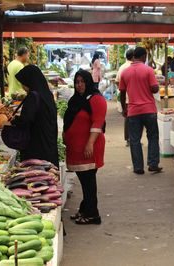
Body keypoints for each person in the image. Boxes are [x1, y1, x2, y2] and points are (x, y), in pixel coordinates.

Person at [63, 69, 107, 225]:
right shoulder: (77, 99)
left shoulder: (96, 99)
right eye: (77, 82)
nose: (79, 85)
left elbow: (98, 122)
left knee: (89, 182)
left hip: (89, 147)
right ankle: (85, 209)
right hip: (77, 148)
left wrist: (89, 143)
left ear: (88, 82)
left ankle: (93, 214)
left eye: (82, 81)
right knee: (85, 181)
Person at [119, 47, 162, 175]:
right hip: (149, 109)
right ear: (143, 56)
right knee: (153, 136)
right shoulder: (148, 70)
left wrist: (124, 108)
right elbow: (154, 89)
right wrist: (154, 86)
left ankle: (138, 167)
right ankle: (153, 164)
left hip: (133, 110)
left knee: (135, 140)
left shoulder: (125, 72)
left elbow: (122, 92)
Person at [12, 65, 59, 167]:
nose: (22, 87)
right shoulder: (47, 94)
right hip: (48, 145)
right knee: (49, 177)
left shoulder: (33, 96)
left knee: (37, 178)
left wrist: (13, 121)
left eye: (23, 83)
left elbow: (26, 120)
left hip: (36, 147)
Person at [116, 48, 134, 147]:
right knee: (134, 119)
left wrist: (121, 88)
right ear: (133, 57)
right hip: (133, 97)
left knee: (127, 118)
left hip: (125, 96)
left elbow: (117, 81)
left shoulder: (122, 67)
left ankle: (128, 139)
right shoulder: (133, 67)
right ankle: (133, 138)